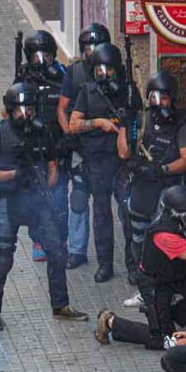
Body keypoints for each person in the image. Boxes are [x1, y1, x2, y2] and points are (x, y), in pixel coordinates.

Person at [0, 82, 87, 332]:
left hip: (38, 201)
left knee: (58, 252)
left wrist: (44, 185)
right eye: (20, 109)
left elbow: (52, 168)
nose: (25, 114)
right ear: (10, 109)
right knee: (3, 258)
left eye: (29, 108)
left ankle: (60, 306)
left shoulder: (43, 133)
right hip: (10, 202)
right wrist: (14, 175)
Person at [94, 185, 186, 350]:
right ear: (177, 216)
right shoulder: (164, 235)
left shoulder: (179, 216)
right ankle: (110, 322)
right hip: (155, 281)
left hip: (177, 272)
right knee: (163, 340)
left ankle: (167, 316)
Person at [120, 70, 186, 308]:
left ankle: (165, 290)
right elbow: (124, 152)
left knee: (162, 241)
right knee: (138, 239)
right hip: (142, 190)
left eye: (163, 98)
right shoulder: (142, 120)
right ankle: (145, 289)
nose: (159, 103)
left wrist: (162, 170)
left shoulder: (181, 124)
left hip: (167, 190)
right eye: (155, 97)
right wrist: (125, 125)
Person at [67, 43, 141, 283]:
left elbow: (138, 122)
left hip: (122, 164)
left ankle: (133, 266)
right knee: (101, 217)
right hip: (97, 163)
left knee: (128, 215)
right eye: (99, 69)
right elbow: (73, 124)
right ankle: (105, 265)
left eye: (108, 70)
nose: (104, 74)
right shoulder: (88, 92)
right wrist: (99, 122)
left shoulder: (128, 91)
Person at [13, 30, 78, 264]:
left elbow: (71, 108)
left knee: (59, 195)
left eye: (46, 56)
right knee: (34, 195)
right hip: (33, 148)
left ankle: (60, 239)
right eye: (35, 57)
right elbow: (10, 109)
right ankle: (38, 240)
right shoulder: (25, 79)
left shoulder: (63, 77)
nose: (41, 61)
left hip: (59, 146)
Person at [57, 23, 111, 270]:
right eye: (88, 47)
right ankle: (77, 250)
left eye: (96, 46)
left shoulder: (117, 73)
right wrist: (69, 132)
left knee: (110, 206)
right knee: (78, 200)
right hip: (81, 150)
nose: (92, 52)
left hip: (110, 152)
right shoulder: (75, 72)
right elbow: (62, 107)